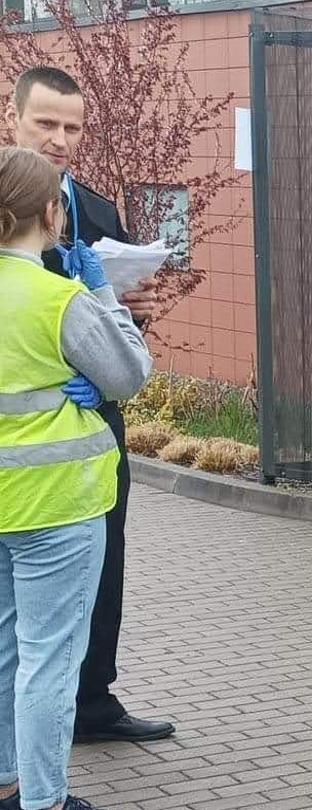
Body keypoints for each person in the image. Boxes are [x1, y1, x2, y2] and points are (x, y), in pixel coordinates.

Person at [11, 65, 173, 744]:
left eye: (72, 127)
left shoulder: (99, 209)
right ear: (14, 119)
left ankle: (92, 702)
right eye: (45, 123)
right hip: (24, 441)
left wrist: (131, 308)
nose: (59, 139)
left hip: (96, 425)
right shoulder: (4, 208)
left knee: (105, 565)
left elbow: (115, 328)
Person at [0, 145, 151, 810]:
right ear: (49, 212)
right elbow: (129, 375)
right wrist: (101, 290)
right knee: (50, 662)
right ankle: (46, 800)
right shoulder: (59, 298)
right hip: (58, 506)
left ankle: (7, 782)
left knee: (5, 652)